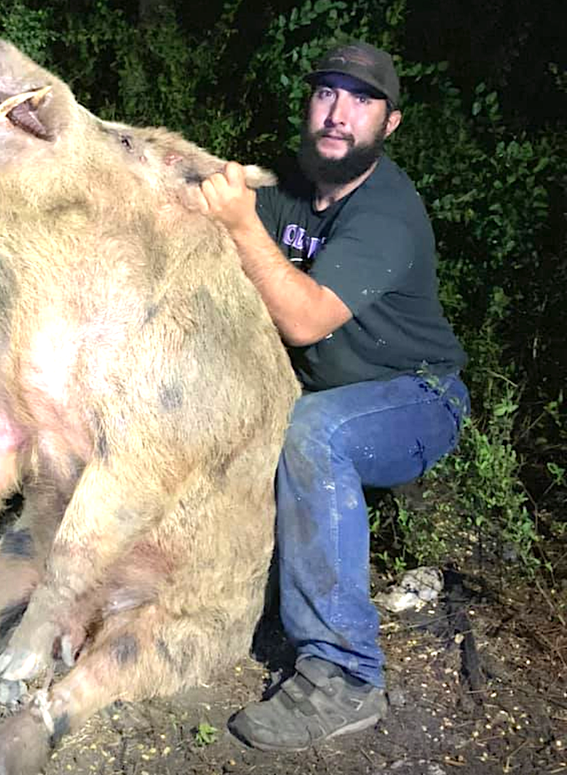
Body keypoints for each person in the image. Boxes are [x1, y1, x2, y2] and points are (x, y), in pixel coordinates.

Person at [197, 41, 470, 752]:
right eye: (326, 93)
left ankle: (346, 675)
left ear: (390, 123)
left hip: (417, 397)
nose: (338, 113)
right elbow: (196, 195)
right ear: (308, 103)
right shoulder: (286, 185)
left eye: (360, 100)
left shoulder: (387, 208)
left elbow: (305, 317)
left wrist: (236, 224)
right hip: (324, 389)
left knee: (313, 430)